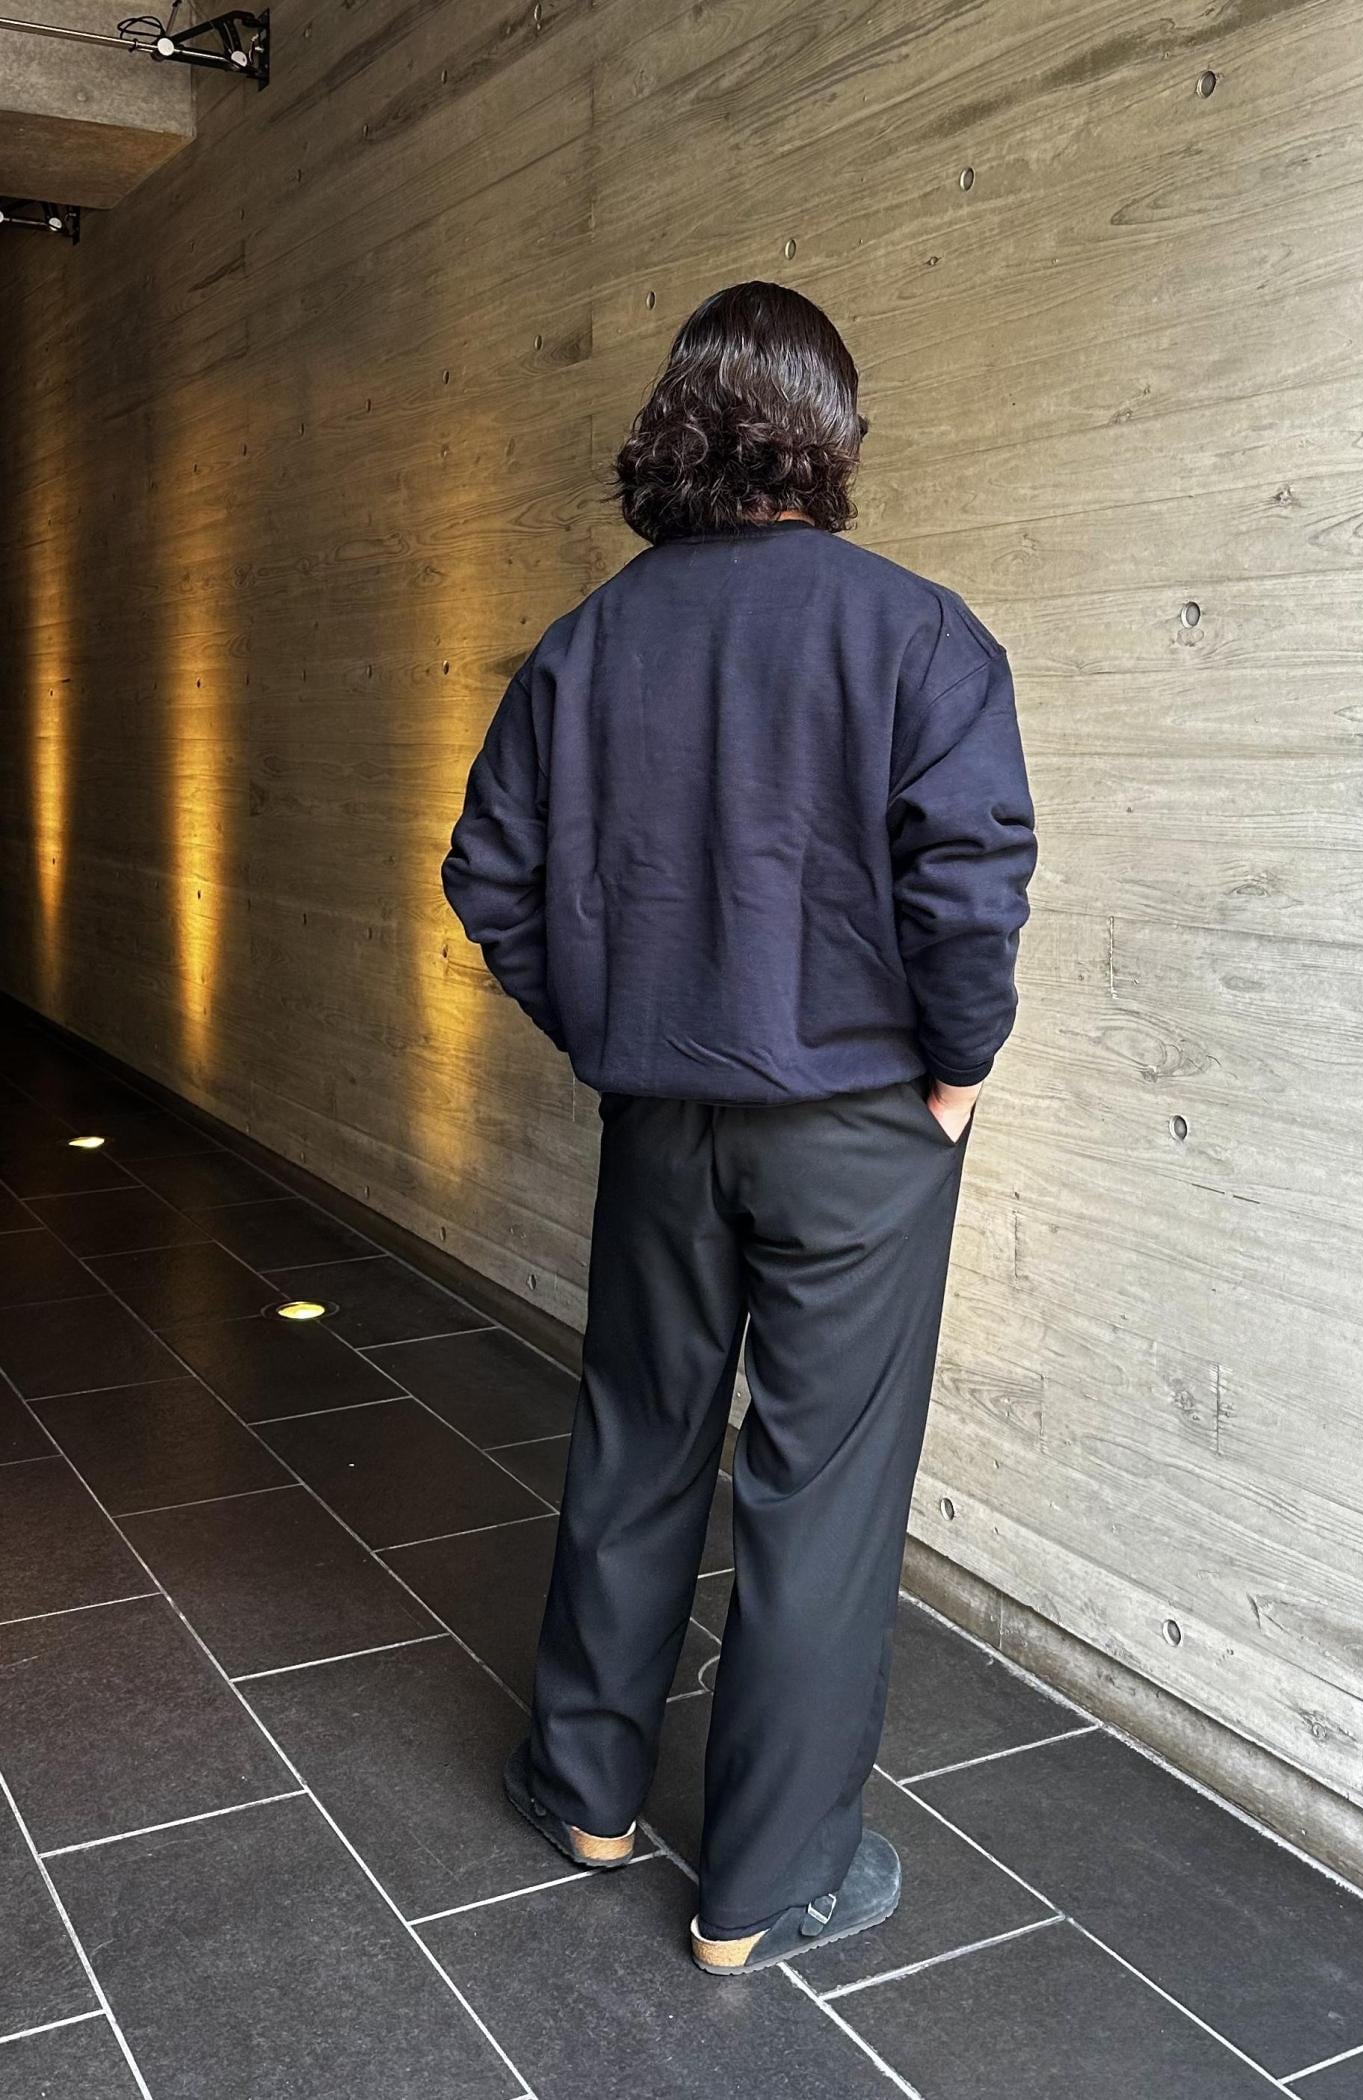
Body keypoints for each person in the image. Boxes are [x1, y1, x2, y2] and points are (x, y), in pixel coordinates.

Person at [441, 281, 1036, 1976]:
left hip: (664, 1116)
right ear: (830, 436)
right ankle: (762, 1888)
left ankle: (584, 1794)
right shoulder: (917, 633)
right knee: (818, 1493)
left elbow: (488, 873)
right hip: (859, 1126)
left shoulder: (589, 642)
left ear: (681, 429)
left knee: (638, 1437)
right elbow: (968, 883)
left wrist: (608, 1030)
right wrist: (957, 1074)